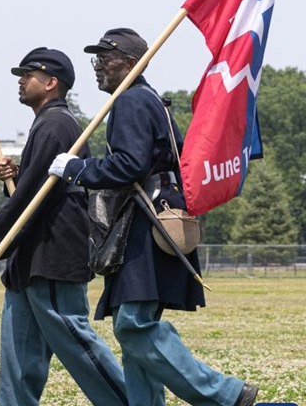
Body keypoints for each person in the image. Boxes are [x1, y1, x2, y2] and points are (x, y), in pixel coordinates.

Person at [49, 28, 258, 406]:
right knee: (133, 333)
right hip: (150, 216)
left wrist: (78, 169)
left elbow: (128, 166)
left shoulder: (131, 101)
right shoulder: (144, 99)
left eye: (105, 59)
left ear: (131, 63)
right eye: (95, 59)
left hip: (146, 221)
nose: (98, 67)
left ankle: (226, 394)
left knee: (133, 325)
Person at [0, 48, 127, 405]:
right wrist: (15, 174)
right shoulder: (46, 123)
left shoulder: (57, 123)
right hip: (30, 259)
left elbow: (32, 196)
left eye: (29, 74)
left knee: (76, 342)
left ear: (51, 83)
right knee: (19, 360)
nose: (21, 81)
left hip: (53, 253)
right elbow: (34, 182)